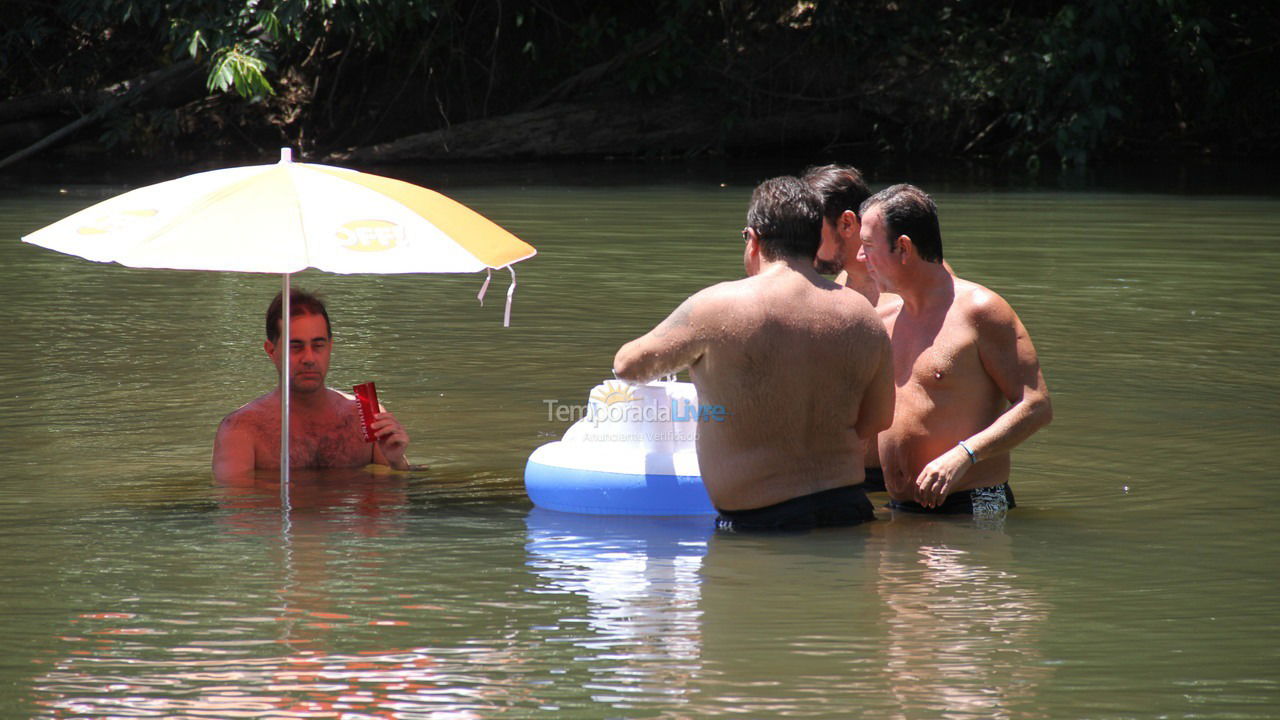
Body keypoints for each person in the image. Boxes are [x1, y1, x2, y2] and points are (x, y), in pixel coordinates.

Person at [613, 176, 895, 532]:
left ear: (754, 239)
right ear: (815, 240)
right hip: (848, 512)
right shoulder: (864, 315)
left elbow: (628, 366)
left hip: (761, 524)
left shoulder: (716, 306)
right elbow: (879, 419)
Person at [857, 184, 1052, 514]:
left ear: (903, 248)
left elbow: (1036, 405)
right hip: (902, 510)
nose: (861, 258)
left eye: (868, 246)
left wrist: (965, 454)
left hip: (976, 503)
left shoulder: (980, 310)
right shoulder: (883, 319)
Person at [212, 289, 411, 476]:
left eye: (318, 345)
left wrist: (397, 462)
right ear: (271, 351)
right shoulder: (241, 429)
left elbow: (394, 501)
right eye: (296, 347)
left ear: (330, 347)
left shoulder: (365, 415)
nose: (309, 358)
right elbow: (235, 505)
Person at [803, 162, 893, 492]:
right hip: (845, 475)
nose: (804, 244)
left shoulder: (910, 280)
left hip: (904, 485)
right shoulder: (842, 282)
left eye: (813, 231)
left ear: (846, 223)